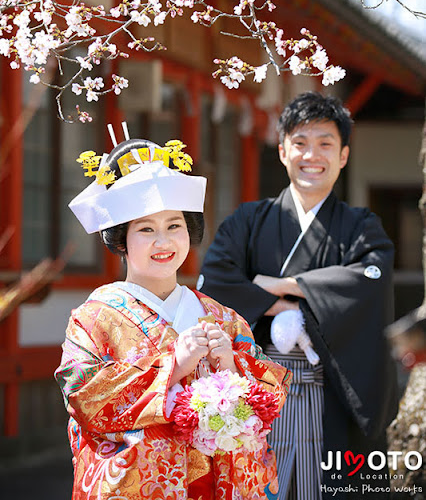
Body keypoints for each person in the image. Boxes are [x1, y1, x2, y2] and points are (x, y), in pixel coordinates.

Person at [55, 128, 291, 500]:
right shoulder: (95, 318)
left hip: (219, 486)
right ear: (121, 240)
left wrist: (231, 366)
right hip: (142, 486)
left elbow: (270, 396)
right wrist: (173, 368)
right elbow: (84, 397)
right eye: (146, 229)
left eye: (174, 226)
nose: (163, 242)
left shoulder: (223, 317)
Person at [199, 92, 399, 500]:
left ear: (343, 155)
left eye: (325, 143)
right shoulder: (248, 221)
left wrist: (283, 284)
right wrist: (287, 305)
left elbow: (370, 280)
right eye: (301, 143)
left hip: (334, 395)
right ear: (282, 151)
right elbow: (215, 280)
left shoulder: (361, 225)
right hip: (260, 393)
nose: (313, 155)